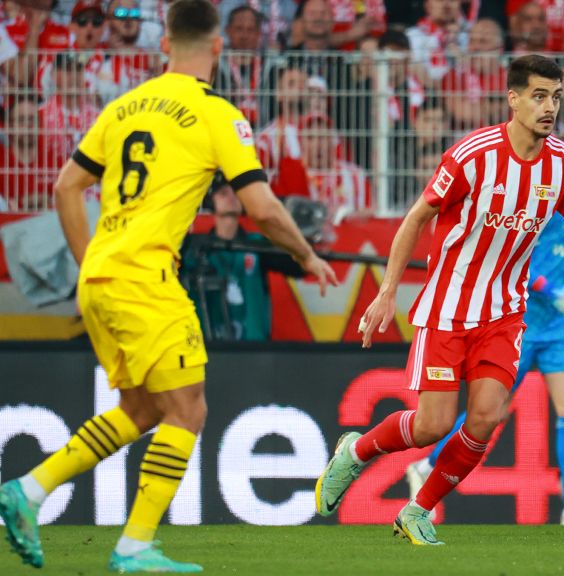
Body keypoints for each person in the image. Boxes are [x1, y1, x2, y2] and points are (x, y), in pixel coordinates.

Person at [0, 0, 336, 571]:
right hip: (146, 278)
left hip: (102, 276)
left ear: (163, 46)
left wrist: (90, 262)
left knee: (140, 408)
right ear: (218, 46)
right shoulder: (216, 113)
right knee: (188, 409)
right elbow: (261, 208)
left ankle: (27, 490)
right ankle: (133, 546)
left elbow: (65, 186)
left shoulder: (123, 106)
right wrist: (306, 253)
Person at [314, 54, 564, 546]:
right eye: (539, 96)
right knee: (432, 425)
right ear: (513, 98)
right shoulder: (473, 155)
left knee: (487, 417)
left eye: (556, 97)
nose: (549, 107)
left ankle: (418, 510)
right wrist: (387, 291)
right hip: (448, 308)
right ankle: (356, 452)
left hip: (505, 313)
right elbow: (416, 217)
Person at [405, 121, 564, 526]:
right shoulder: (543, 194)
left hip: (559, 327)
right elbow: (513, 255)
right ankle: (428, 464)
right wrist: (551, 290)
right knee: (491, 412)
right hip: (516, 318)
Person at [180, 181, 306, 341]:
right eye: (223, 193)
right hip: (208, 345)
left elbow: (298, 268)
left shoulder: (257, 244)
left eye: (236, 193)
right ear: (210, 200)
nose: (231, 198)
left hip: (253, 347)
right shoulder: (194, 248)